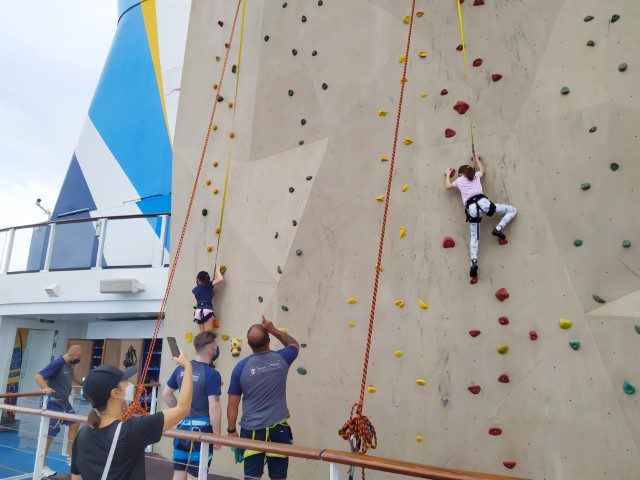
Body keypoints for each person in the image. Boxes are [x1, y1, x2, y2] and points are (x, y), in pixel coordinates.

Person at [71, 352, 193, 480]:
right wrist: (188, 367)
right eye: (125, 382)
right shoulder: (131, 430)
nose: (129, 385)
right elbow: (183, 409)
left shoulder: (81, 435)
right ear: (115, 393)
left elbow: (76, 477)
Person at [227, 316, 300, 480]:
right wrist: (273, 329)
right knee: (278, 477)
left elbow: (233, 404)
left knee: (252, 477)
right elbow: (294, 344)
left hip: (251, 431)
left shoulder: (240, 368)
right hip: (278, 430)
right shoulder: (282, 358)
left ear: (249, 344)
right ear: (268, 340)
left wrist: (231, 431)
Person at [445, 155, 517, 280]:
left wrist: (447, 175)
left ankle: (473, 262)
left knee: (474, 237)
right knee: (511, 210)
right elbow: (482, 171)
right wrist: (478, 160)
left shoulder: (459, 180)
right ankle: (498, 228)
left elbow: (448, 186)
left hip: (472, 209)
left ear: (460, 173)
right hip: (484, 203)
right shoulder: (476, 176)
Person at [162, 331, 223, 480]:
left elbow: (166, 395)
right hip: (202, 432)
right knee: (195, 476)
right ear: (211, 350)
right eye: (216, 345)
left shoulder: (180, 369)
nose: (217, 348)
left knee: (178, 474)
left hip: (182, 430)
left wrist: (181, 411)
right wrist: (217, 436)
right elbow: (214, 406)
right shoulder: (212, 374)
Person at [34, 344, 84, 477]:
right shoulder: (57, 363)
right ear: (72, 355)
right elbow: (38, 376)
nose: (79, 360)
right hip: (52, 403)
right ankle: (41, 467)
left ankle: (70, 456)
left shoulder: (69, 364)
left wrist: (85, 384)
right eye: (78, 358)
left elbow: (73, 376)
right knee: (48, 436)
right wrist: (45, 388)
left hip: (64, 403)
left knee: (75, 423)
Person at [192, 267, 224, 332]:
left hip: (198, 311)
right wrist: (218, 271)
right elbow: (220, 279)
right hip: (207, 310)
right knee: (208, 335)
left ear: (198, 279)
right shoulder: (209, 285)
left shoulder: (195, 289)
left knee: (202, 335)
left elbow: (202, 295)